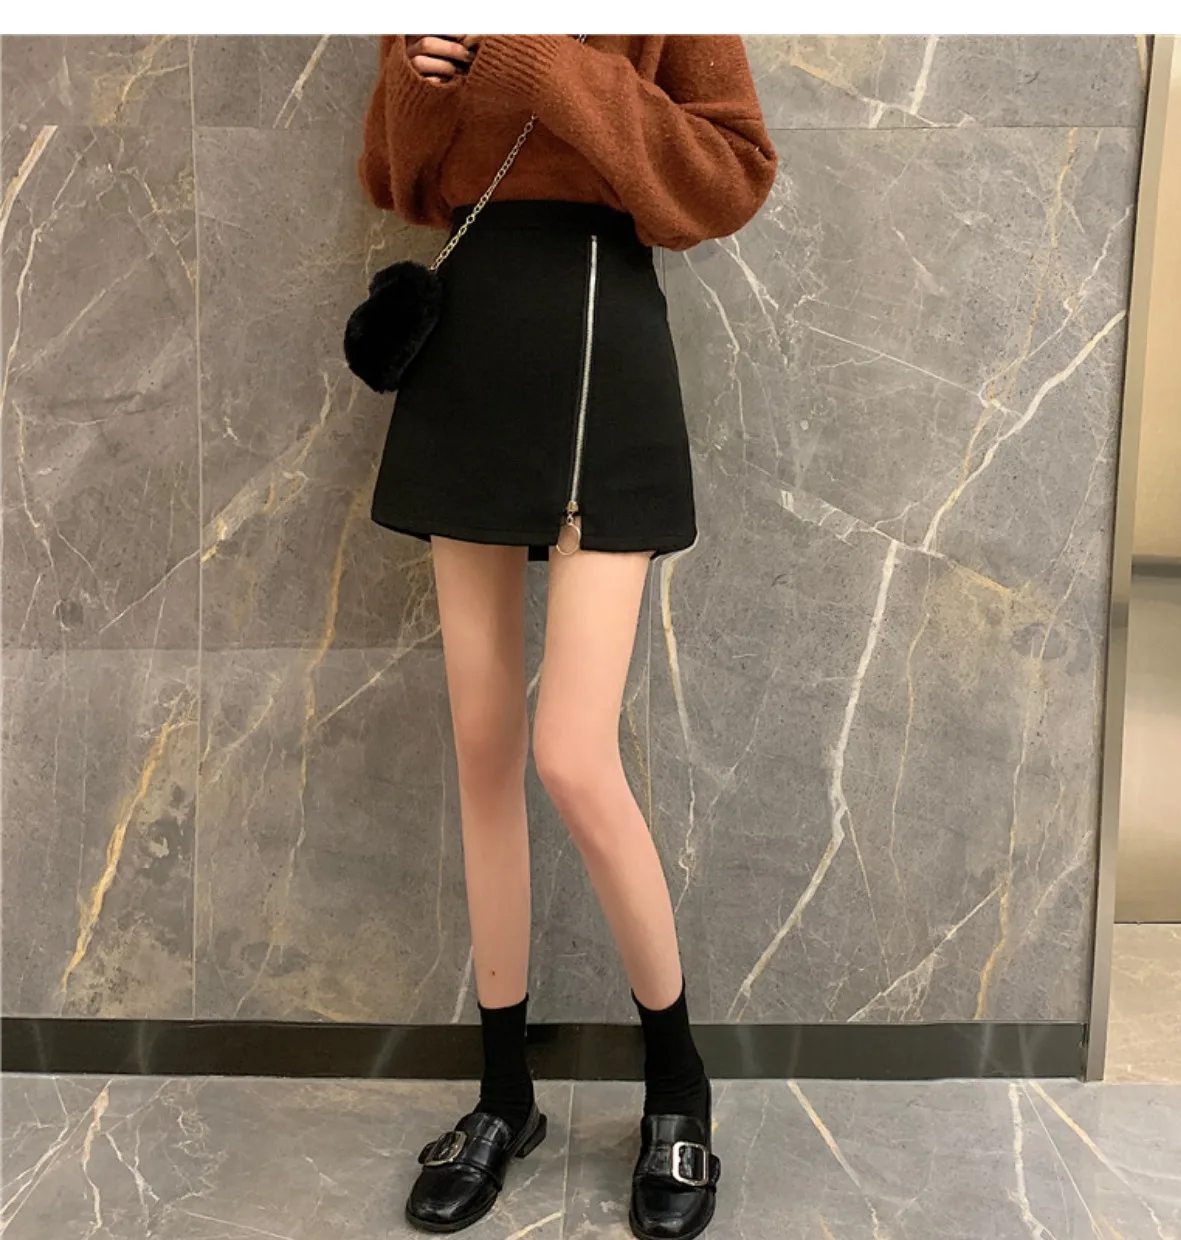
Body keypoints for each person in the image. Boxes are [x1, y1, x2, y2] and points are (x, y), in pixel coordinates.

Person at [356, 34, 776, 1239]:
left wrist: (541, 64)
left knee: (570, 756)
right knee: (482, 745)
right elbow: (396, 181)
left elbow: (727, 178)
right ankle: (504, 1095)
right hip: (468, 353)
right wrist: (421, 81)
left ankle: (678, 1087)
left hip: (604, 348)